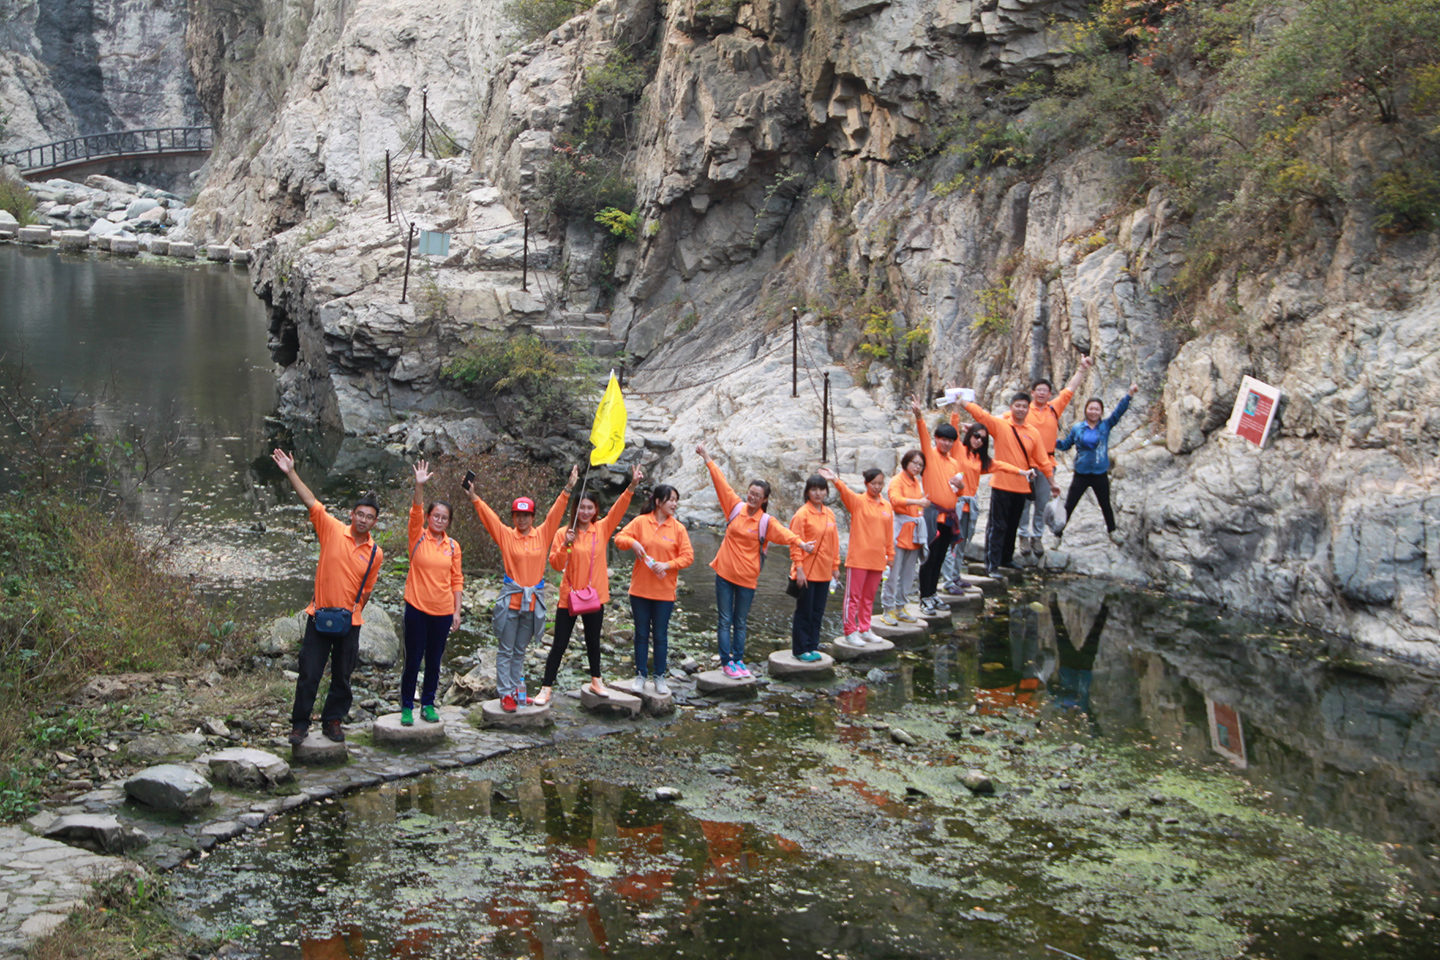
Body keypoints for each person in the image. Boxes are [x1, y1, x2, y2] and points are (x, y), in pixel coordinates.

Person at [272, 449, 384, 746]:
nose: (363, 520)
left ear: (375, 522)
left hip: (350, 621)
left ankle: (333, 720)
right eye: (360, 514)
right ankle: (300, 724)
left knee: (342, 675)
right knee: (309, 672)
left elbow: (368, 588)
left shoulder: (375, 553)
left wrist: (353, 611)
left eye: (369, 517)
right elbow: (311, 501)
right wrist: (291, 472)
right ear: (352, 515)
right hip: (319, 615)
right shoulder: (331, 529)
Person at [696, 441, 813, 678]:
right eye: (751, 493)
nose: (752, 497)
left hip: (747, 579)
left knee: (740, 621)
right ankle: (726, 662)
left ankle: (738, 660)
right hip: (724, 574)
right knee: (724, 620)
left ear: (764, 500)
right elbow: (721, 483)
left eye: (757, 496)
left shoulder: (765, 522)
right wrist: (707, 457)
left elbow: (784, 534)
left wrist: (801, 544)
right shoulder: (734, 507)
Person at [466, 463, 577, 712]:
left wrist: (568, 489)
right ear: (513, 517)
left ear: (533, 517)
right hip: (511, 602)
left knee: (519, 650)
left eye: (526, 515)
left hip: (532, 602)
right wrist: (474, 497)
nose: (522, 518)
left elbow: (556, 514)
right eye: (518, 515)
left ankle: (517, 690)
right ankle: (505, 694)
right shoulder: (506, 535)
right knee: (505, 650)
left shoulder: (543, 535)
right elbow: (490, 519)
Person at [537, 463, 642, 706]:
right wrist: (567, 544)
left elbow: (618, 508)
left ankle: (596, 680)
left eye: (590, 508)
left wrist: (632, 486)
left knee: (593, 641)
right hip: (570, 595)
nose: (585, 512)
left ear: (595, 510)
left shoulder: (601, 529)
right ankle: (545, 688)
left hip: (594, 595)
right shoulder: (564, 532)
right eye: (581, 507)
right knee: (559, 644)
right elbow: (555, 564)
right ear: (575, 509)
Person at [399, 459, 463, 726]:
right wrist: (419, 486)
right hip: (416, 608)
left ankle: (428, 704)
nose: (439, 520)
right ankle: (406, 706)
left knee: (434, 662)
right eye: (435, 516)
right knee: (413, 660)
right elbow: (415, 511)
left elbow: (456, 579)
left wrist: (457, 611)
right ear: (428, 517)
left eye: (444, 517)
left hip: (443, 611)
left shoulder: (453, 546)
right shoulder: (418, 536)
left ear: (449, 522)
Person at [963, 391, 1055, 575]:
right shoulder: (1001, 425)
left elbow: (1043, 461)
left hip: (1022, 487)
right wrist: (963, 402)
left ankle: (1006, 559)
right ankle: (992, 564)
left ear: (1028, 409)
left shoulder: (1033, 432)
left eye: (1024, 406)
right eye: (1017, 405)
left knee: (1012, 525)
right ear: (1011, 407)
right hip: (1001, 484)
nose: (1020, 409)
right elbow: (981, 415)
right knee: (997, 526)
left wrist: (1053, 483)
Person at [615, 484, 695, 694]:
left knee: (660, 635)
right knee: (641, 634)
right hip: (640, 590)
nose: (674, 504)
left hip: (664, 592)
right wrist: (632, 543)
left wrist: (668, 565)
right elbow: (619, 539)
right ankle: (640, 675)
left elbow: (688, 557)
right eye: (671, 500)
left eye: (676, 500)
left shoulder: (678, 528)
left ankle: (659, 677)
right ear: (658, 502)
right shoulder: (641, 522)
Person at [1017, 358, 1092, 556]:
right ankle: (1022, 535)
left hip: (1047, 463)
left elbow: (1070, 390)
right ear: (1032, 393)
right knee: (1024, 504)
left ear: (1049, 394)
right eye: (1038, 390)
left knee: (1042, 503)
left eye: (1045, 390)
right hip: (1025, 463)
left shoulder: (1053, 408)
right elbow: (999, 420)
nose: (1042, 393)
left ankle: (1037, 537)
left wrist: (1081, 368)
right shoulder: (1024, 410)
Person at [941, 422, 1028, 591]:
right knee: (951, 543)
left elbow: (1001, 466)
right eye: (976, 436)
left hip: (970, 505)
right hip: (956, 503)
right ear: (969, 435)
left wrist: (1022, 472)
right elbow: (953, 427)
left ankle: (956, 576)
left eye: (982, 438)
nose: (978, 440)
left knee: (962, 542)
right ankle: (948, 580)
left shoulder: (981, 460)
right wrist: (957, 409)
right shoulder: (959, 449)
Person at [818, 466, 894, 648]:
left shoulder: (886, 506)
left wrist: (890, 554)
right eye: (873, 483)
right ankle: (850, 630)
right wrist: (834, 479)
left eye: (880, 483)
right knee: (853, 597)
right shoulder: (858, 501)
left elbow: (889, 533)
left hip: (877, 559)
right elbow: (845, 492)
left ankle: (865, 628)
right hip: (859, 558)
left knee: (869, 596)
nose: (877, 486)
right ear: (866, 483)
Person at [1055, 384, 1138, 545]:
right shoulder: (1078, 428)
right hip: (1081, 474)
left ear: (1101, 412)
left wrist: (1129, 394)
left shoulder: (1105, 426)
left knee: (1105, 504)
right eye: (1091, 409)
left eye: (1097, 409)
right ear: (1086, 410)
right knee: (1069, 505)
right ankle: (1058, 535)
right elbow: (1066, 445)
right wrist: (1052, 442)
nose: (1093, 412)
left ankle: (1112, 532)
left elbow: (1119, 412)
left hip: (1100, 473)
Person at [908, 396, 964, 613]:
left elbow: (958, 491)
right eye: (943, 439)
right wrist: (919, 416)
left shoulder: (954, 462)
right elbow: (923, 436)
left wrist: (961, 486)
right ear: (937, 439)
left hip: (949, 515)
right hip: (933, 514)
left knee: (940, 557)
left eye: (950, 441)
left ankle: (933, 593)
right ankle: (924, 597)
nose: (946, 443)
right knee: (929, 557)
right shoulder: (929, 456)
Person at [787, 474, 842, 661]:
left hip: (824, 571)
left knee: (818, 611)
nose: (818, 493)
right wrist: (799, 569)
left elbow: (834, 542)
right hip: (807, 571)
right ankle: (800, 649)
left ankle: (812, 646)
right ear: (807, 492)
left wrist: (835, 566)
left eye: (821, 489)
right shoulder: (802, 514)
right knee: (804, 611)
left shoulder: (829, 513)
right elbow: (795, 543)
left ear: (826, 491)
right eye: (814, 489)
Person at [881, 451, 929, 625]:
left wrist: (920, 509)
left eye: (920, 465)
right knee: (892, 573)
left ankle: (900, 607)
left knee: (908, 574)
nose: (917, 467)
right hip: (900, 530)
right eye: (915, 463)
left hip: (914, 532)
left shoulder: (916, 482)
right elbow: (894, 500)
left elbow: (918, 505)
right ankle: (887, 609)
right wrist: (917, 502)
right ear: (906, 462)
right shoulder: (897, 480)